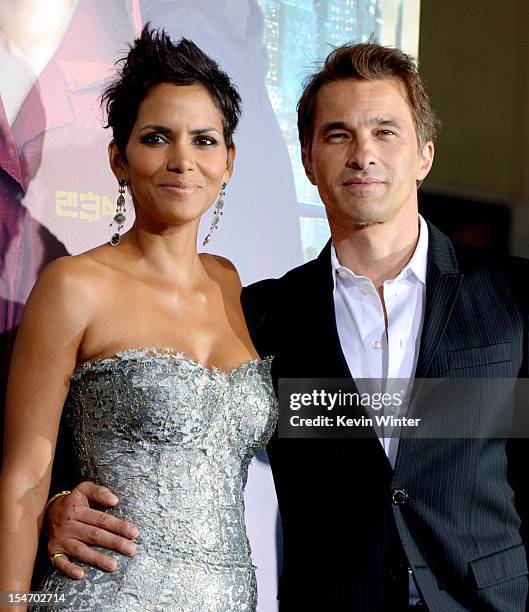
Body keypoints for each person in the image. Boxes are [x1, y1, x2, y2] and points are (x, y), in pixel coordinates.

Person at [44, 42, 529, 611]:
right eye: (338, 134)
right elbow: (162, 430)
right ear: (308, 159)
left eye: (385, 132)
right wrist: (58, 501)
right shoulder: (264, 316)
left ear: (424, 155)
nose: (363, 154)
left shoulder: (514, 296)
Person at [0, 26, 277, 611]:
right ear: (119, 158)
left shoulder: (231, 286)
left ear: (228, 161)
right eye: (157, 137)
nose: (183, 160)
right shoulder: (74, 286)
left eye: (204, 140)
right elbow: (25, 475)